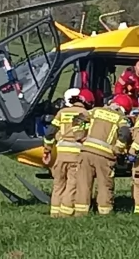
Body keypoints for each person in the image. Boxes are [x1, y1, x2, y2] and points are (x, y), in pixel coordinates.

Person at [72, 95, 132, 216]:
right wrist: (118, 149)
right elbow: (125, 134)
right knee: (105, 184)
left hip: (86, 152)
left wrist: (80, 136)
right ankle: (105, 212)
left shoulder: (96, 111)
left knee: (83, 183)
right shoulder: (120, 118)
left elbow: (78, 118)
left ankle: (81, 212)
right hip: (105, 156)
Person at [42, 88, 92, 217]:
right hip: (75, 153)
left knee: (58, 184)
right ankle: (65, 214)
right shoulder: (86, 114)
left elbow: (50, 132)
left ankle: (54, 213)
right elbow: (85, 135)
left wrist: (47, 150)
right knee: (72, 184)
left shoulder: (61, 112)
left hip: (61, 152)